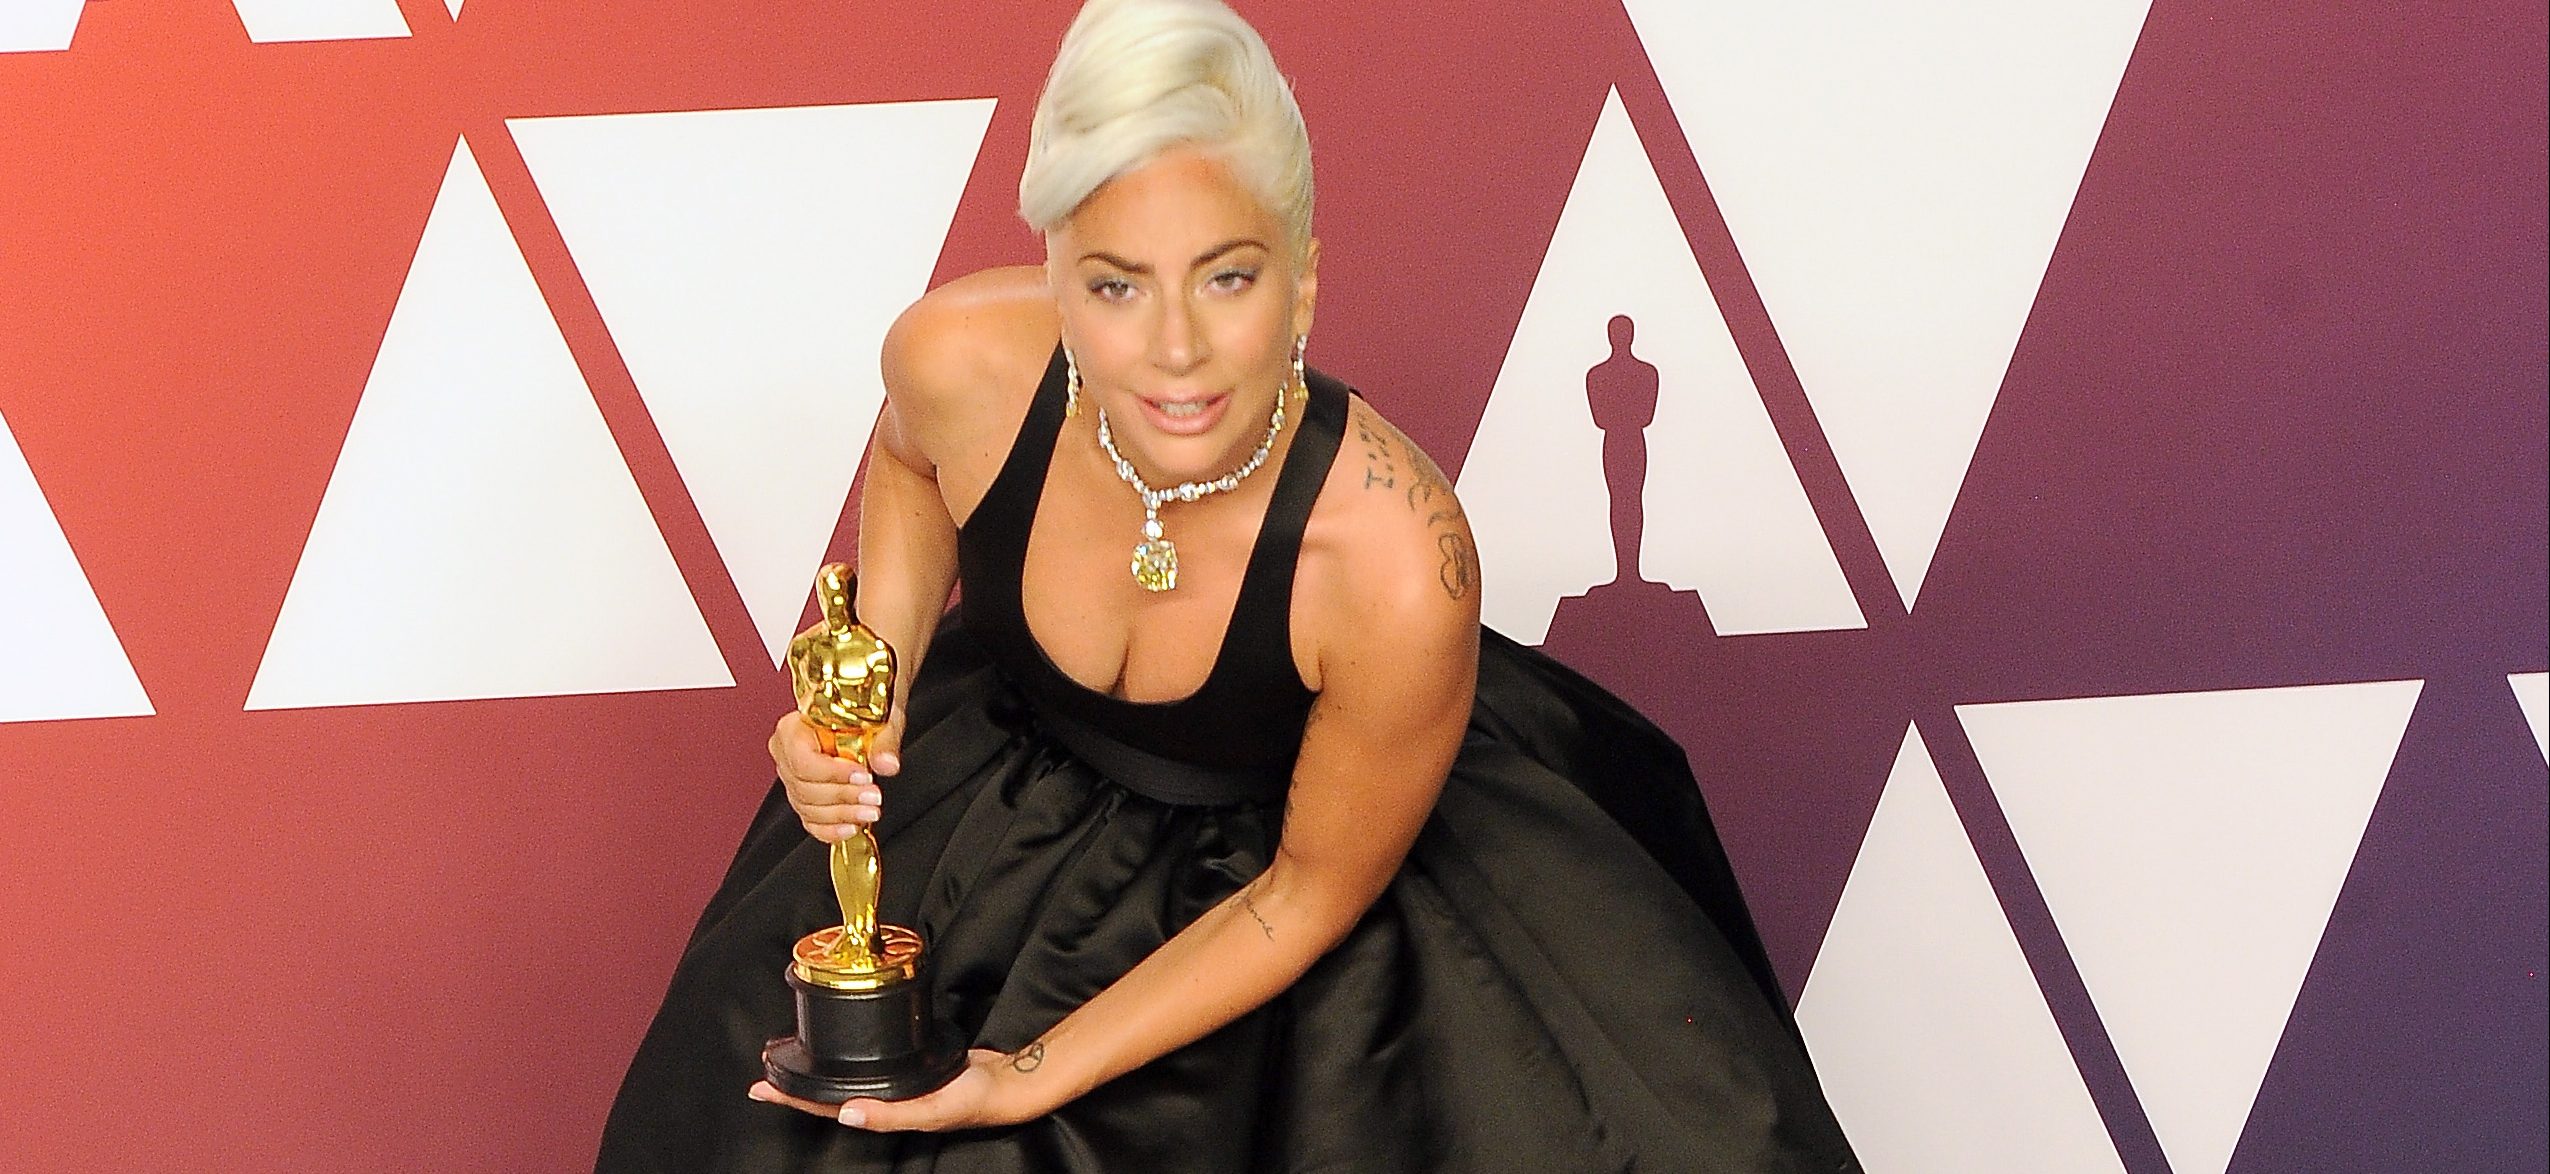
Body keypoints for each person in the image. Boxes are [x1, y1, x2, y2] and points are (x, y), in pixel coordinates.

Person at [596, 1, 1861, 1170]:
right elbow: (909, 463)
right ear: (1054, 277)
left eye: (1229, 275)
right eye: (1115, 285)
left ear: (1304, 278)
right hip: (1003, 803)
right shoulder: (957, 359)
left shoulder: (1396, 561)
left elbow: (1304, 895)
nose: (1177, 349)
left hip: (1295, 893)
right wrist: (871, 688)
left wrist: (1021, 1076)